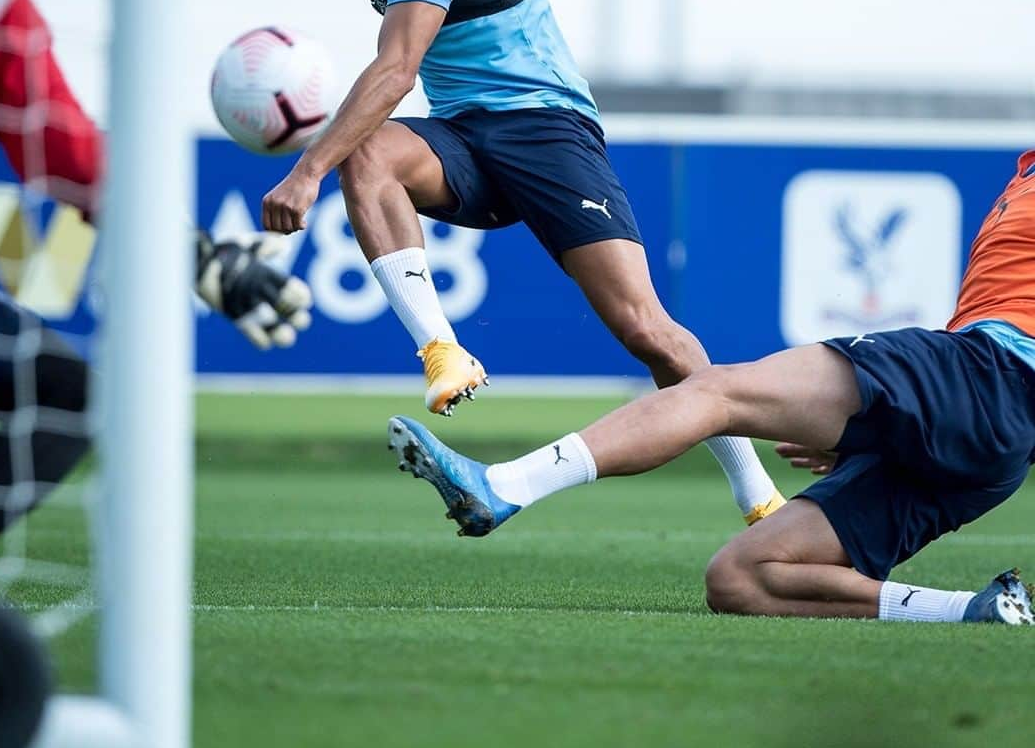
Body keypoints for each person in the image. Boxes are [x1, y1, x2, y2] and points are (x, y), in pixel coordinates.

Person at [260, 0, 783, 526]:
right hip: (467, 136)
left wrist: (306, 172)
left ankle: (759, 494)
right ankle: (442, 353)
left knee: (646, 330)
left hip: (545, 128)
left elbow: (398, 67)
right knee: (369, 154)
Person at [386, 148, 1035, 625]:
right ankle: (976, 611)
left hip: (985, 373)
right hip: (988, 430)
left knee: (716, 394)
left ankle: (503, 487)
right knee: (742, 579)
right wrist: (896, 429)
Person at [0, 0, 313, 593]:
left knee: (67, 390)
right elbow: (70, 161)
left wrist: (192, 253)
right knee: (66, 393)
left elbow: (72, 159)